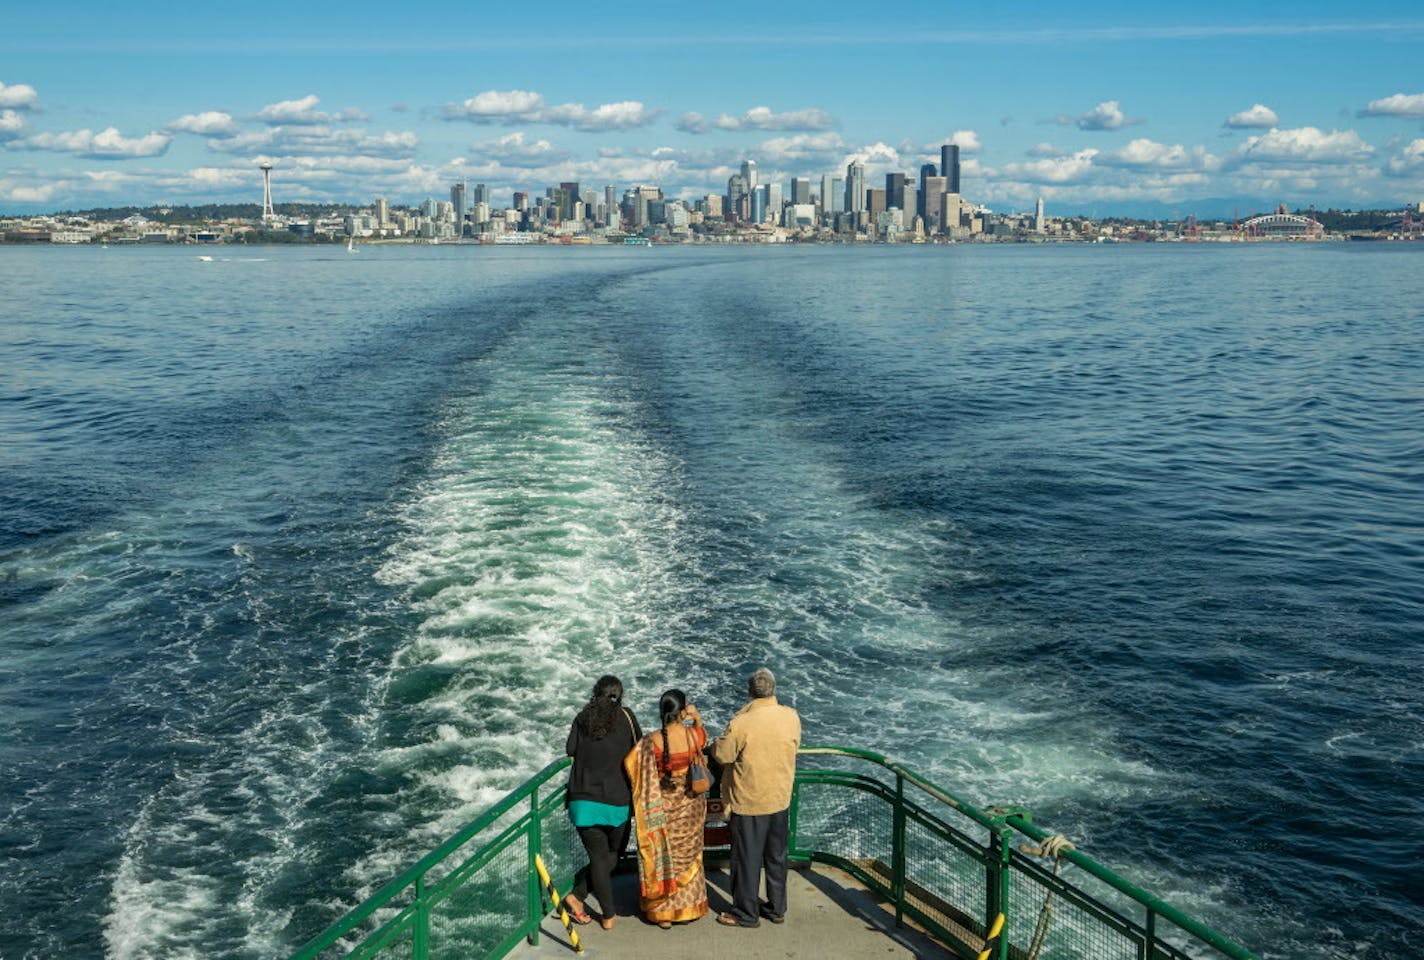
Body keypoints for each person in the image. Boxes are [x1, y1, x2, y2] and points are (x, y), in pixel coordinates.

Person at [711, 667, 801, 928]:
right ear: (773, 689)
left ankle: (745, 914)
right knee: (776, 857)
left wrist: (716, 743)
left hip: (749, 801)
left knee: (747, 861)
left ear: (750, 692)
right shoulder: (790, 716)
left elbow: (723, 755)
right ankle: (776, 908)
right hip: (780, 798)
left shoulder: (742, 723)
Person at [624, 688, 710, 928]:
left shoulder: (652, 741)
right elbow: (704, 738)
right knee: (690, 853)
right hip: (690, 804)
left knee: (665, 855)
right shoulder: (694, 735)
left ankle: (663, 914)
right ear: (682, 711)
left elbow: (631, 763)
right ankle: (690, 907)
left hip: (664, 806)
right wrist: (697, 718)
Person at [564, 674, 642, 930]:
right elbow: (639, 749)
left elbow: (570, 749)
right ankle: (606, 914)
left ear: (595, 694)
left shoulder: (582, 717)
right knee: (612, 855)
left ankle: (578, 896)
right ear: (620, 696)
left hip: (582, 801)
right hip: (617, 801)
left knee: (599, 857)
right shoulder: (627, 718)